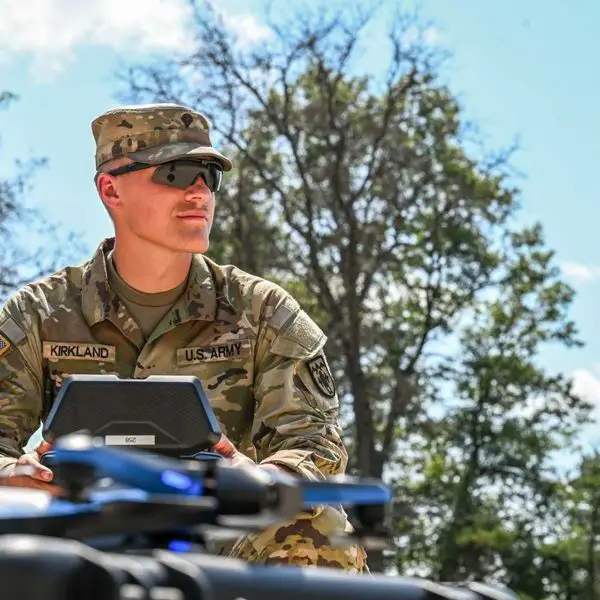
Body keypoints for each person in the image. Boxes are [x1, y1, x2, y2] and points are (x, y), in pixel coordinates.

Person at [0, 103, 368, 572]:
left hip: (220, 537)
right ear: (110, 189)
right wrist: (12, 475)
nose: (199, 191)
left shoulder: (263, 312)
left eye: (208, 176)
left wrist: (260, 476)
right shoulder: (38, 313)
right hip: (77, 536)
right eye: (175, 173)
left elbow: (316, 442)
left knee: (317, 532)